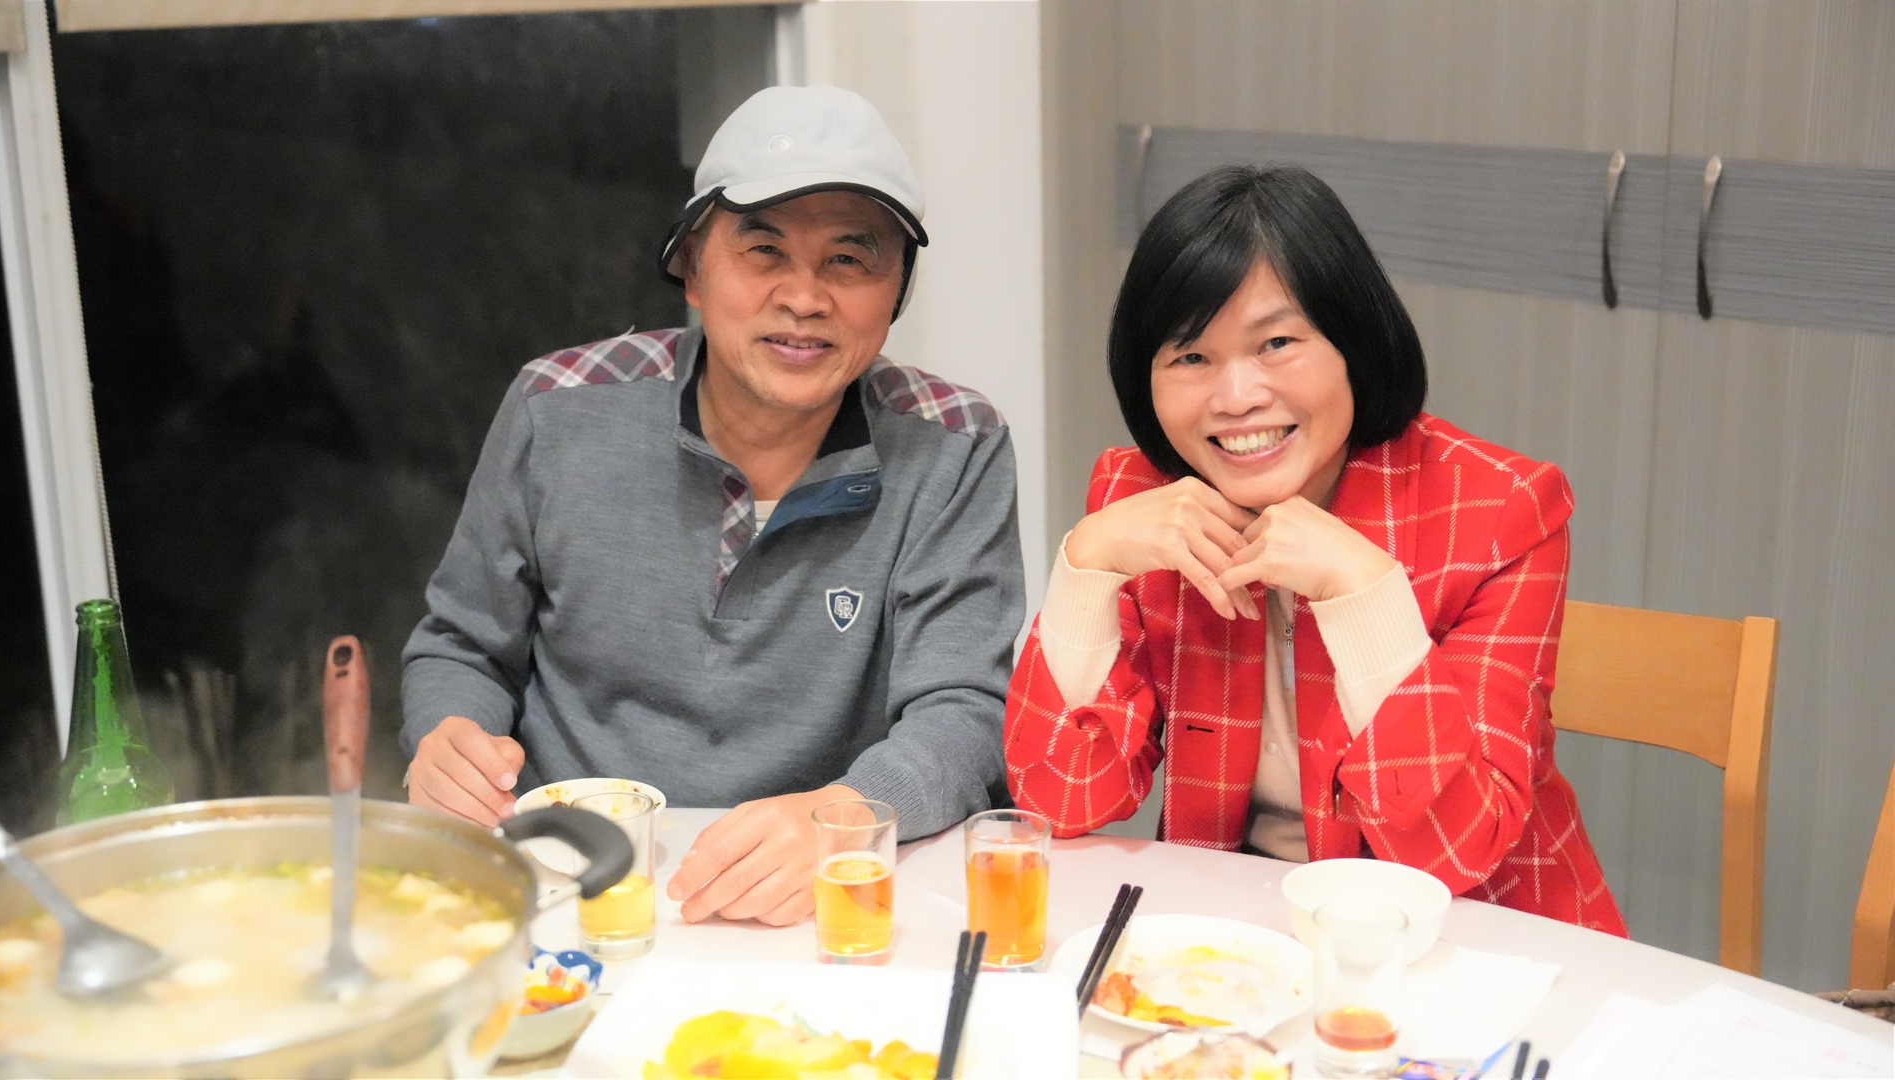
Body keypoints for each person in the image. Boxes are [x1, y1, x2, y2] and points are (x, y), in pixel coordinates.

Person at [401, 86, 1024, 928]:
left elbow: (966, 710)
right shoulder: (558, 407)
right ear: (692, 268)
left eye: (849, 260)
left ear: (897, 292)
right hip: (574, 880)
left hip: (817, 895)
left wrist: (847, 814)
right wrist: (447, 737)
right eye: (764, 251)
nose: (804, 298)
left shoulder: (954, 444)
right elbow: (461, 644)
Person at [1004, 165, 1625, 934]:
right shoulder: (1141, 501)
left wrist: (1367, 595)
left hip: (1482, 940)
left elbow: (1453, 852)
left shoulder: (1500, 510)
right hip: (1244, 937)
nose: (1237, 398)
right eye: (1191, 357)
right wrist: (1085, 565)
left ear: (1353, 341)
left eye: (1277, 343)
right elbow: (1060, 799)